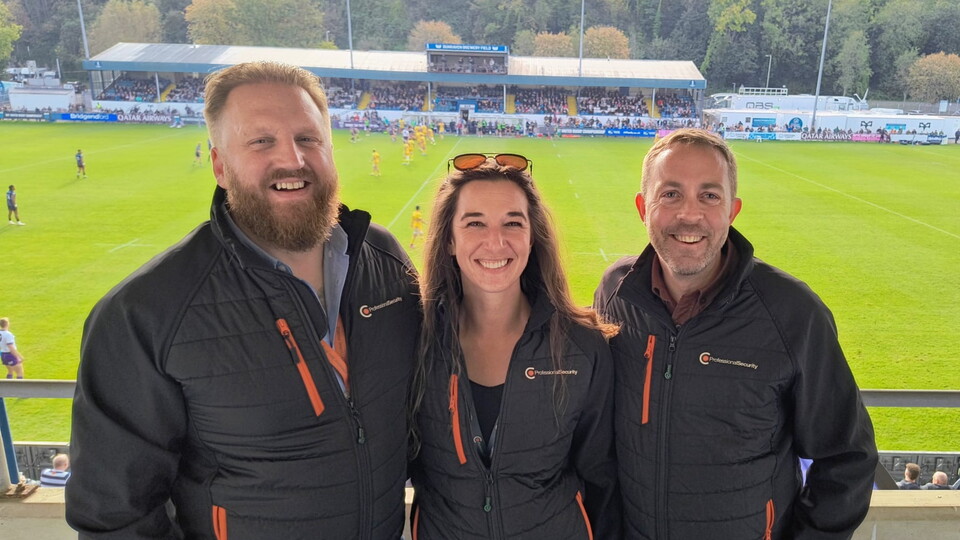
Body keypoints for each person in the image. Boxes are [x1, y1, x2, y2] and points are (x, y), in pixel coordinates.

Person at [67, 61, 421, 539]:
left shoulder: (385, 260)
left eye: (308, 138)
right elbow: (114, 515)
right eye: (261, 141)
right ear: (219, 165)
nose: (292, 159)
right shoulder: (145, 314)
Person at [594, 128, 877, 539]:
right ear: (643, 207)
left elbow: (847, 456)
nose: (689, 215)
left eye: (709, 196)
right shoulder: (615, 292)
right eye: (670, 194)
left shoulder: (793, 312)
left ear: (732, 210)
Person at [409, 153, 620, 539]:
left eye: (512, 222)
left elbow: (601, 479)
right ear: (450, 241)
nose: (496, 241)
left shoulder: (583, 347)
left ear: (532, 236)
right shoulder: (412, 342)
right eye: (475, 223)